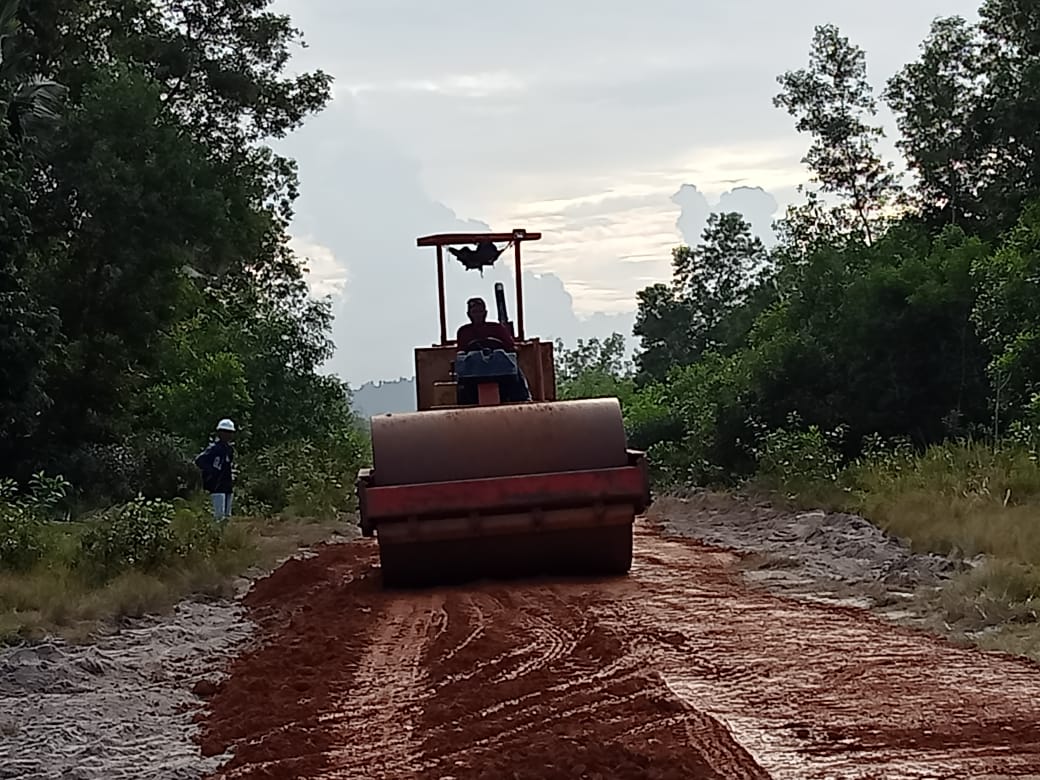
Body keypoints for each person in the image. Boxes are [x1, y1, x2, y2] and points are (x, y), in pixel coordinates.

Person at [455, 297, 531, 403]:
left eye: (480, 311)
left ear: (485, 313)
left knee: (514, 368)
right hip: (473, 373)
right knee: (461, 376)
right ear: (469, 314)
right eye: (474, 312)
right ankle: (464, 402)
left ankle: (522, 398)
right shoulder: (464, 332)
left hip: (501, 372)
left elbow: (510, 346)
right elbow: (461, 353)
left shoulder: (497, 328)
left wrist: (511, 349)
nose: (478, 315)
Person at [195, 418, 235, 523]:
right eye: (225, 432)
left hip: (227, 485)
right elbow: (199, 460)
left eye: (230, 432)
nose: (228, 435)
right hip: (216, 486)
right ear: (220, 433)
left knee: (227, 516)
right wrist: (212, 471)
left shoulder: (229, 449)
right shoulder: (214, 448)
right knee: (219, 516)